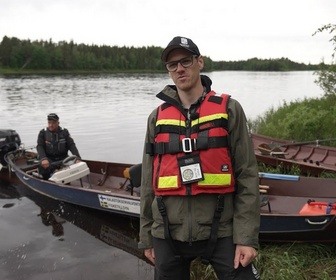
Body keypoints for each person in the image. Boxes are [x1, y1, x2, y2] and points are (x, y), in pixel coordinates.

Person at [139, 36, 260, 280]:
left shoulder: (229, 110)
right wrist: (146, 237)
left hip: (222, 229)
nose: (179, 69)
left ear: (200, 62)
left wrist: (246, 238)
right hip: (167, 231)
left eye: (185, 61)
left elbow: (246, 174)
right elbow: (147, 181)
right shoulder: (157, 117)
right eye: (172, 65)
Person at [36, 113, 81, 180]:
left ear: (58, 123)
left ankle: (63, 175)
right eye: (49, 123)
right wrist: (43, 159)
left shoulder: (64, 132)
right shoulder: (43, 133)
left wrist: (77, 157)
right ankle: (49, 178)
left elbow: (71, 145)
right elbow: (40, 146)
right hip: (49, 159)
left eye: (53, 123)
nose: (51, 125)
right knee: (42, 165)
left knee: (75, 163)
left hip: (63, 159)